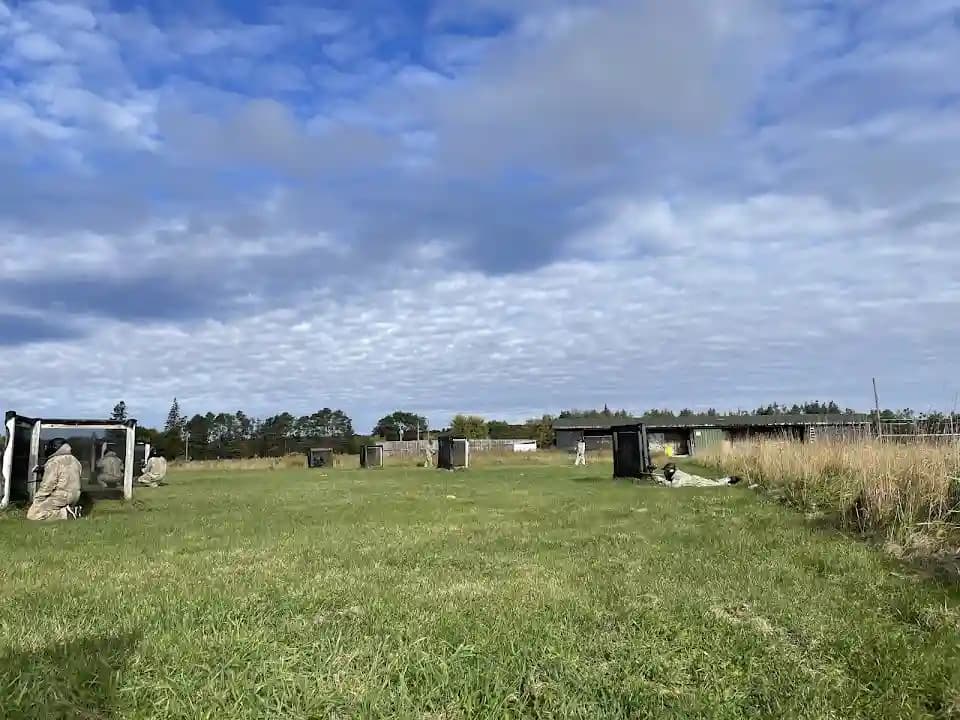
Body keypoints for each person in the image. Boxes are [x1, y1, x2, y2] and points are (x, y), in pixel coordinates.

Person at [27, 438, 83, 521]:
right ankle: (70, 509)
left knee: (33, 514)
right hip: (75, 496)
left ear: (54, 447)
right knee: (46, 507)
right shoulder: (75, 461)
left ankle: (65, 514)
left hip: (60, 496)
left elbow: (48, 485)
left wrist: (38, 499)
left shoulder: (54, 462)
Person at [657, 462, 742, 488]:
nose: (665, 473)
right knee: (712, 482)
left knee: (714, 484)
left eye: (666, 471)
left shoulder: (677, 476)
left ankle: (730, 480)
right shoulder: (676, 473)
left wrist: (661, 480)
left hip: (697, 482)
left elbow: (674, 486)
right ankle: (729, 479)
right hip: (695, 479)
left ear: (670, 471)